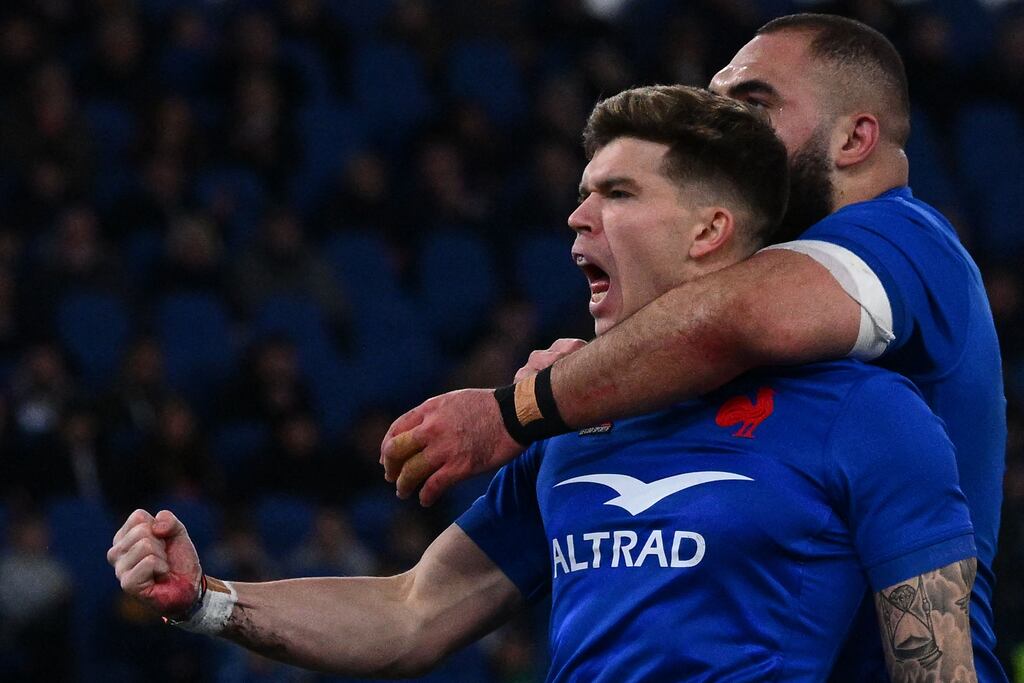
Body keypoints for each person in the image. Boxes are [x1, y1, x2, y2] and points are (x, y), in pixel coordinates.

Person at [109, 85, 978, 682]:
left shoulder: (865, 415)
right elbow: (412, 610)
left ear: (711, 229)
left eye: (617, 193)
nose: (577, 215)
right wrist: (209, 601)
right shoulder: (575, 425)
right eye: (582, 192)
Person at [380, 14, 1008, 682]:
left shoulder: (905, 239)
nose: (723, 123)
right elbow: (416, 612)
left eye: (754, 103)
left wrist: (524, 409)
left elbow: (740, 318)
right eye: (716, 98)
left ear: (855, 137)